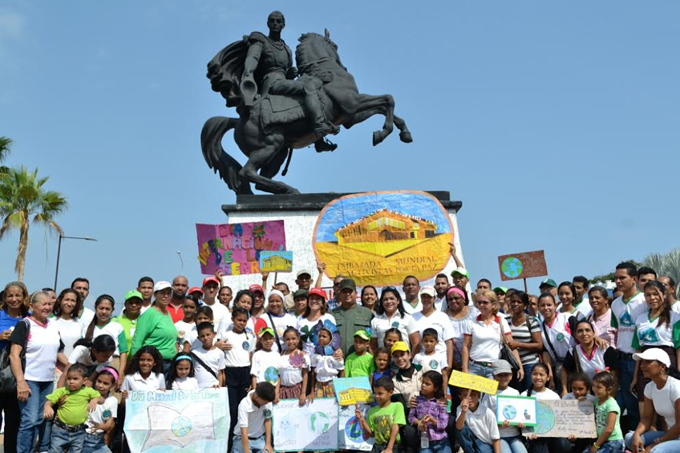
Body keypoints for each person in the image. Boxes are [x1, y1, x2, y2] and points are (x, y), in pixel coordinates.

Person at [242, 11, 337, 139]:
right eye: (272, 21)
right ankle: (319, 125)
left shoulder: (287, 49)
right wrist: (248, 70)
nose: (275, 23)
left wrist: (290, 74)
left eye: (278, 21)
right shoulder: (261, 40)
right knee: (308, 86)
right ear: (268, 24)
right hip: (272, 82)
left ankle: (318, 141)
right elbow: (253, 57)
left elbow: (286, 74)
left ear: (283, 25)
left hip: (283, 81)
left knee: (315, 84)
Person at [9, 290, 68, 453]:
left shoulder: (53, 326)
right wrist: (21, 382)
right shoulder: (24, 325)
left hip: (48, 381)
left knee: (44, 419)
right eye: (43, 304)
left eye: (50, 304)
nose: (47, 307)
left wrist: (72, 366)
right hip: (29, 380)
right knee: (30, 420)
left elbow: (58, 352)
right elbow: (14, 355)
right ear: (32, 306)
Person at [631, 281, 680, 408]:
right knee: (645, 408)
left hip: (667, 364)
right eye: (648, 295)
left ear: (664, 295)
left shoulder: (674, 317)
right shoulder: (640, 319)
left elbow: (678, 348)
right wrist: (636, 377)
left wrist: (678, 372)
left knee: (667, 410)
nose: (652, 298)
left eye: (656, 294)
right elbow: (638, 349)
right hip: (645, 366)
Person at [611, 262, 647, 431]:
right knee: (630, 401)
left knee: (645, 402)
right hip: (623, 359)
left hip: (641, 359)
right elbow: (617, 329)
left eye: (622, 277)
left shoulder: (644, 301)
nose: (618, 281)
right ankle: (633, 440)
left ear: (633, 279)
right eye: (616, 278)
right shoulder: (615, 304)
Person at [626, 348, 680, 452]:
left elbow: (679, 426)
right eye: (642, 362)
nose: (642, 366)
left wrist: (656, 443)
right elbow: (646, 418)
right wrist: (637, 434)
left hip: (676, 435)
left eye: (648, 362)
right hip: (669, 434)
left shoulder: (677, 387)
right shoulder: (649, 387)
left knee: (655, 451)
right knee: (630, 438)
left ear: (662, 367)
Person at [462, 290, 522, 380]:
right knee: (472, 394)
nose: (481, 305)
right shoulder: (471, 322)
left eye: (485, 302)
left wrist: (519, 366)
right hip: (474, 367)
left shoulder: (502, 322)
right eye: (479, 302)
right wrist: (465, 369)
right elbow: (465, 347)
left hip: (494, 369)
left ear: (494, 305)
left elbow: (511, 346)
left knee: (491, 394)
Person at [44, 363, 103, 452]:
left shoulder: (87, 391)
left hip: (78, 432)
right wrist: (47, 406)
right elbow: (50, 400)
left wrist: (95, 399)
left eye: (75, 379)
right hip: (60, 430)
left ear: (84, 380)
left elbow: (102, 400)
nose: (71, 381)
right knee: (55, 450)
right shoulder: (62, 391)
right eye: (69, 378)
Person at [0, 281, 29, 453]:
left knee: (13, 420)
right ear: (5, 297)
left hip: (17, 375)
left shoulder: (29, 318)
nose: (14, 299)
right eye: (10, 295)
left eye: (18, 295)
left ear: (24, 297)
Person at [222, 307, 255, 451]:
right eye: (239, 320)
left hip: (245, 372)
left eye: (244, 320)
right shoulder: (226, 334)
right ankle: (230, 444)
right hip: (230, 372)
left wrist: (250, 376)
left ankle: (243, 442)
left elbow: (250, 355)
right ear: (232, 320)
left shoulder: (250, 335)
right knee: (232, 411)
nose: (242, 323)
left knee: (245, 408)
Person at [130, 281, 178, 373]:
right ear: (155, 295)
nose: (166, 296)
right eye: (163, 293)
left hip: (169, 364)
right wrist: (135, 366)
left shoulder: (167, 313)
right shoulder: (149, 314)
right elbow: (138, 340)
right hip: (154, 366)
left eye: (169, 293)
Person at [521, 363, 569, 453]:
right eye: (535, 374)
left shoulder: (554, 396)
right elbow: (522, 418)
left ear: (547, 377)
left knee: (564, 445)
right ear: (530, 376)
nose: (538, 377)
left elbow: (560, 418)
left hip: (553, 435)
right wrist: (527, 431)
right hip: (535, 436)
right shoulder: (523, 395)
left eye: (541, 374)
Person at [560, 320, 617, 396]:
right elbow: (564, 370)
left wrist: (610, 395)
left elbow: (613, 373)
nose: (584, 333)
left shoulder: (605, 349)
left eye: (587, 330)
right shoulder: (573, 352)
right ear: (575, 335)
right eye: (580, 331)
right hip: (585, 394)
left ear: (593, 333)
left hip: (604, 393)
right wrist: (564, 389)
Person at [482, 360, 528, 453]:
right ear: (494, 376)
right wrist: (497, 424)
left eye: (506, 375)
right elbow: (484, 417)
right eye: (500, 375)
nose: (503, 378)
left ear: (511, 376)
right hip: (498, 436)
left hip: (514, 435)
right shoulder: (489, 394)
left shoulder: (515, 392)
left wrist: (522, 423)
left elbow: (520, 414)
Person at [81, 295, 128, 385]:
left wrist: (121, 373)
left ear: (112, 310)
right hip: (90, 366)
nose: (104, 312)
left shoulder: (117, 327)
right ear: (95, 308)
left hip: (112, 366)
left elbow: (123, 351)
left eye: (107, 309)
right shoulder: (86, 329)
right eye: (101, 308)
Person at [504, 291, 542, 391]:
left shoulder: (531, 321)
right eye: (513, 301)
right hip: (512, 365)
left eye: (519, 302)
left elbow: (539, 345)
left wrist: (518, 344)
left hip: (529, 365)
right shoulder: (505, 321)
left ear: (525, 305)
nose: (515, 304)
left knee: (529, 394)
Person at [356, 377, 405, 453]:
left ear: (391, 392)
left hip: (393, 446)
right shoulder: (372, 411)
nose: (376, 396)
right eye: (375, 393)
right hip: (377, 446)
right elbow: (371, 434)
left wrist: (389, 448)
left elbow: (395, 427)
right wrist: (362, 420)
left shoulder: (397, 406)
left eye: (380, 393)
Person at [537, 293, 575, 390]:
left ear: (556, 305)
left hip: (576, 363)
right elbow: (545, 352)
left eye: (549, 305)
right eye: (542, 305)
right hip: (559, 367)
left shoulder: (566, 318)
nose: (546, 308)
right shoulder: (540, 328)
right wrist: (550, 375)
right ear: (538, 307)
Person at [407, 370, 449, 453]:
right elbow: (411, 417)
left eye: (427, 384)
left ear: (436, 388)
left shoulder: (440, 403)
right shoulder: (416, 400)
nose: (423, 385)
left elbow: (444, 424)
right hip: (425, 443)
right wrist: (418, 422)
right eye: (423, 382)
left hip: (441, 442)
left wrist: (431, 420)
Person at [413, 286, 454, 370]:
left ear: (435, 298)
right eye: (424, 296)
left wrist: (449, 364)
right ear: (420, 298)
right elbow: (414, 342)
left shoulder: (443, 316)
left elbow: (449, 341)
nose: (426, 299)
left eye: (429, 297)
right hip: (421, 360)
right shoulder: (413, 317)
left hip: (440, 360)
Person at [372, 287, 420, 354]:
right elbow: (373, 346)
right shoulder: (375, 320)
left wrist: (410, 358)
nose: (389, 301)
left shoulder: (407, 318)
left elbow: (416, 343)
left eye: (392, 298)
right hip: (383, 362)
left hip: (402, 361)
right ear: (382, 302)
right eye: (385, 299)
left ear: (398, 300)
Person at [332, 278, 373, 356]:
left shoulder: (367, 313)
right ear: (340, 294)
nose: (347, 294)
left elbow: (373, 339)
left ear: (356, 293)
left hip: (360, 361)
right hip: (337, 361)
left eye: (350, 291)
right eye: (344, 292)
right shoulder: (332, 314)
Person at [82, 367, 119, 453]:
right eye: (99, 381)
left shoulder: (113, 401)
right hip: (80, 437)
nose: (101, 385)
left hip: (98, 441)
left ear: (113, 385)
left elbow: (109, 425)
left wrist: (99, 426)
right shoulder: (87, 393)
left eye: (106, 383)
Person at [232, 382, 276, 453]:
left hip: (260, 438)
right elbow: (244, 431)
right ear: (256, 397)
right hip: (242, 438)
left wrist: (268, 443)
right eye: (265, 402)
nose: (266, 404)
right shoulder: (244, 405)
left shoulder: (267, 400)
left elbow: (267, 420)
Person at [455, 388, 501, 453]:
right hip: (471, 439)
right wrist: (463, 412)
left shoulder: (487, 412)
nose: (469, 398)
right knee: (461, 430)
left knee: (483, 450)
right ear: (460, 397)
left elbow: (495, 437)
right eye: (466, 395)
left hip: (485, 442)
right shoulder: (460, 408)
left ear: (478, 396)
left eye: (473, 395)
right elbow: (459, 427)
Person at [589, 371, 625, 453]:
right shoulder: (596, 401)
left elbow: (609, 429)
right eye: (593, 386)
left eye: (599, 387)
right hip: (602, 441)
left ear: (609, 389)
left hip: (613, 442)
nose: (594, 389)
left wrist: (596, 445)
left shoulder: (611, 405)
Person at [445, 286, 478, 371]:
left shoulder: (475, 312)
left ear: (463, 298)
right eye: (450, 299)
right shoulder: (443, 316)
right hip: (452, 362)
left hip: (474, 361)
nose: (453, 301)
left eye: (456, 298)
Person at [275, 327, 309, 405]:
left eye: (293, 338)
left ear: (298, 339)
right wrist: (276, 392)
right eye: (288, 339)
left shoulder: (302, 355)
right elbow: (279, 376)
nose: (291, 341)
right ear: (284, 340)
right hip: (282, 391)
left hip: (297, 390)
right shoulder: (281, 356)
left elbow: (305, 374)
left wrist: (303, 393)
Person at [310, 320, 344, 398]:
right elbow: (313, 373)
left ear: (331, 338)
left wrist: (341, 390)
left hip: (332, 385)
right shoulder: (315, 355)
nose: (321, 338)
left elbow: (342, 371)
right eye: (319, 336)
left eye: (324, 336)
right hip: (318, 385)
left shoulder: (335, 355)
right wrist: (312, 391)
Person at [296, 287, 334, 355]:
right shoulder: (300, 319)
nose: (314, 301)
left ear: (322, 303)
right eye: (312, 298)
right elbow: (297, 341)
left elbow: (334, 340)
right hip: (305, 360)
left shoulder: (328, 318)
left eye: (317, 298)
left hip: (323, 359)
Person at [191, 322, 225, 389]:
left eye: (208, 334)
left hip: (214, 388)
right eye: (202, 336)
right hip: (198, 389)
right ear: (198, 338)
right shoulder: (194, 353)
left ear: (214, 334)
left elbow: (220, 373)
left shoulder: (220, 353)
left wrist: (220, 387)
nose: (206, 338)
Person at [51, 288, 83, 357]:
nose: (69, 304)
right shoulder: (51, 322)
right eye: (67, 300)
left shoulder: (81, 324)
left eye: (73, 301)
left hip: (76, 366)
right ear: (60, 300)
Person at [113, 290, 144, 357]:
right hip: (119, 361)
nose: (134, 305)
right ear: (125, 304)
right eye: (130, 303)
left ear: (141, 305)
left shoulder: (146, 321)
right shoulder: (116, 321)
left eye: (137, 302)